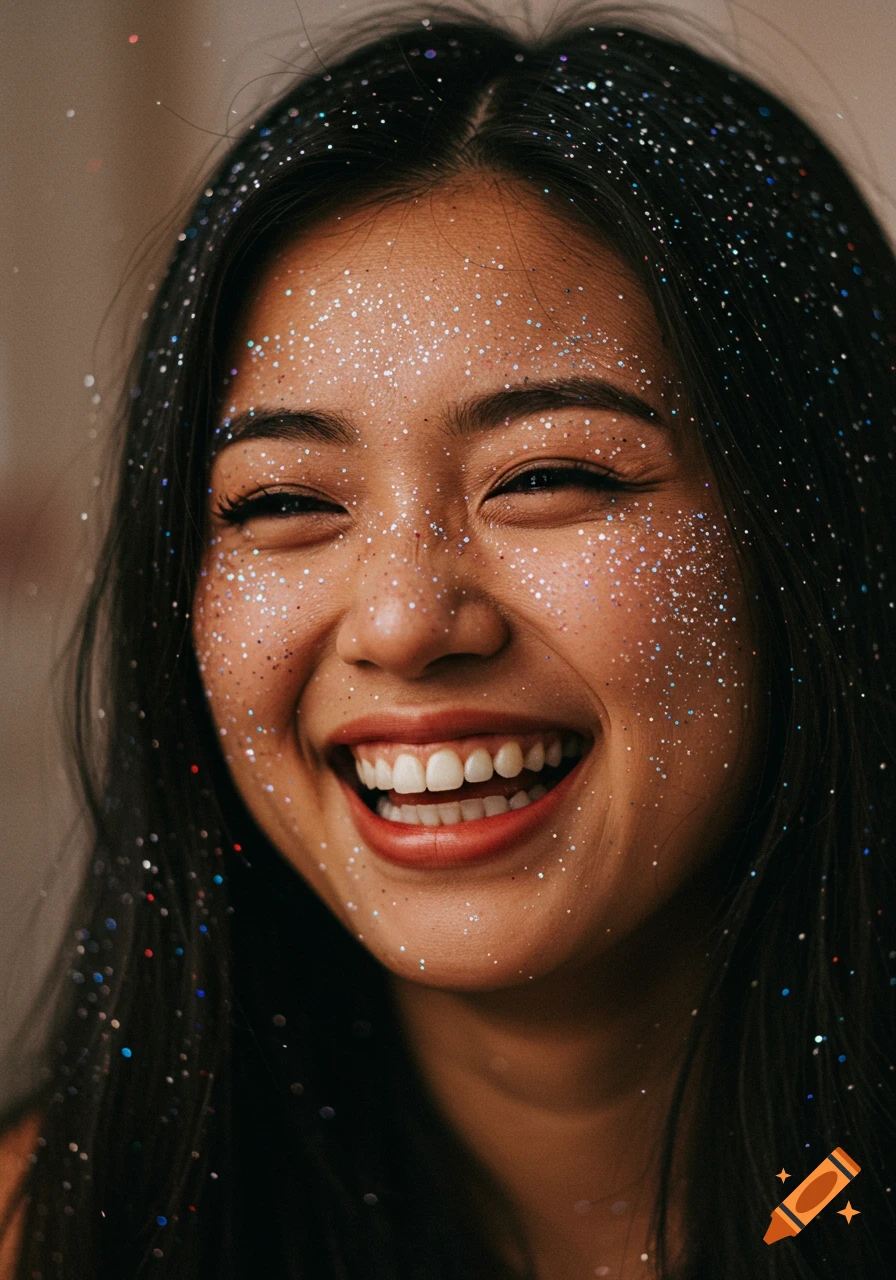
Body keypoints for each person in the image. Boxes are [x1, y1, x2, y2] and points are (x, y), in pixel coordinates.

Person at [1, 8, 893, 1278]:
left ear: (813, 535)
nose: (407, 620)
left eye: (547, 475)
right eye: (284, 502)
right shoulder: (46, 1234)